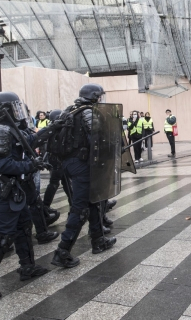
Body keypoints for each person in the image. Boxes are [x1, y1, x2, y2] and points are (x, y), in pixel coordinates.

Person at [0, 92, 52, 300]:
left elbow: (29, 140)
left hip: (15, 187)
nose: (18, 112)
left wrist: (54, 127)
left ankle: (27, 267)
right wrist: (32, 164)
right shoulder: (0, 131)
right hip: (5, 187)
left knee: (23, 226)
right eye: (14, 108)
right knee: (2, 236)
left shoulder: (11, 129)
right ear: (3, 110)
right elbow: (1, 164)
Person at [50, 84, 117, 269]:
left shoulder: (70, 110)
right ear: (94, 96)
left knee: (94, 201)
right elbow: (98, 139)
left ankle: (98, 240)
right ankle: (62, 252)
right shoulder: (88, 112)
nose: (102, 99)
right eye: (100, 96)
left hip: (71, 164)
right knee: (80, 209)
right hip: (82, 166)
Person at [42, 110, 73, 209]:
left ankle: (73, 204)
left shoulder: (54, 128)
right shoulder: (56, 129)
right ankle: (46, 206)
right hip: (57, 160)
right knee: (56, 183)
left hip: (57, 160)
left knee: (66, 182)